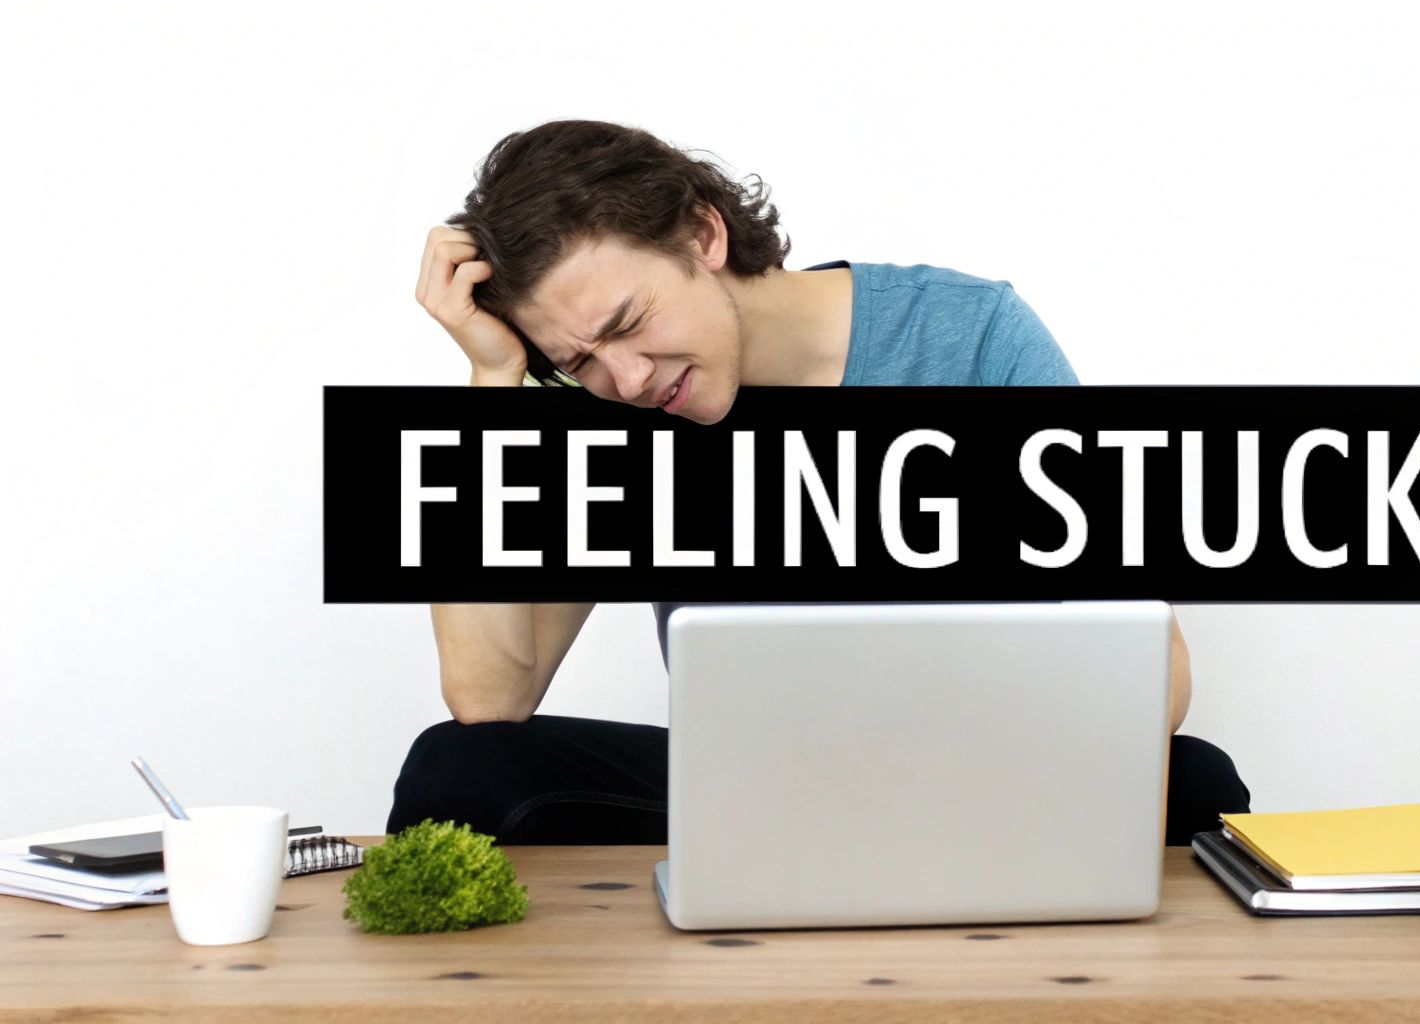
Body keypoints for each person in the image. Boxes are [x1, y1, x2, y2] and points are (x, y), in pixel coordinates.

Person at [392, 120, 1249, 845]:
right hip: (747, 798)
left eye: (628, 324)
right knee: (459, 769)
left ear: (703, 235)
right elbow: (490, 695)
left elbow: (1152, 662)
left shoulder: (971, 337)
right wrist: (493, 385)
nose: (629, 376)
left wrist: (977, 777)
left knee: (1196, 785)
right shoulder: (616, 403)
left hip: (983, 784)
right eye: (579, 361)